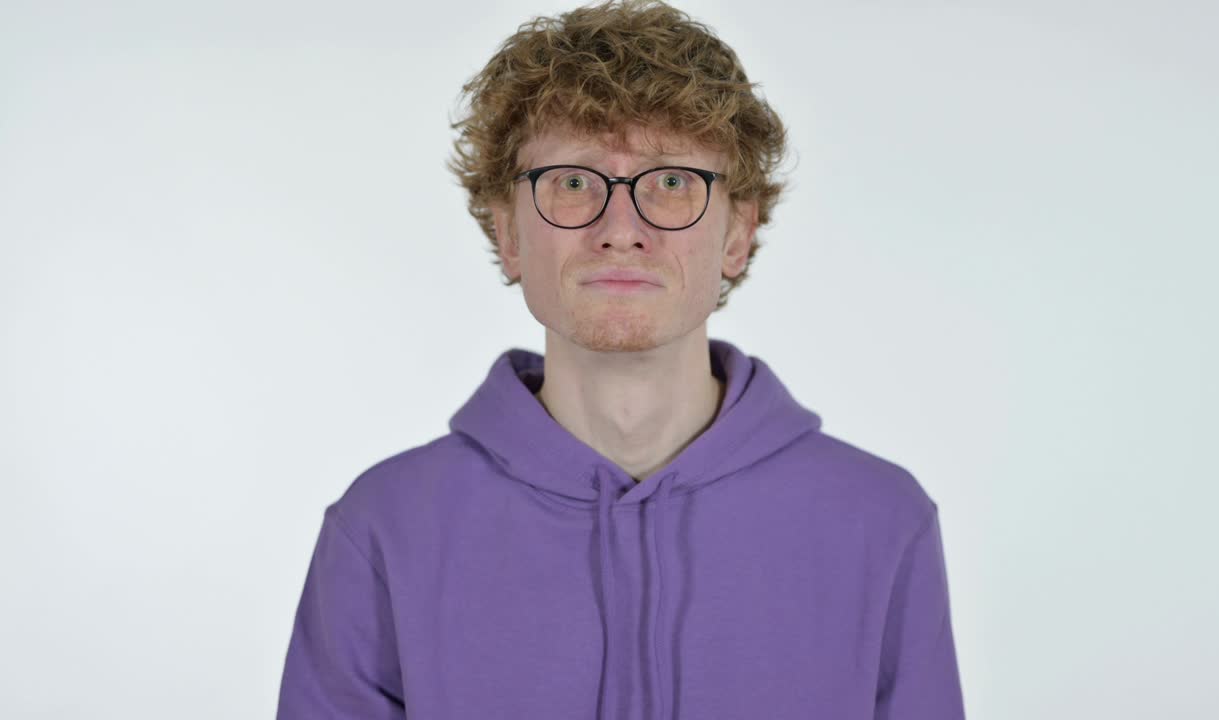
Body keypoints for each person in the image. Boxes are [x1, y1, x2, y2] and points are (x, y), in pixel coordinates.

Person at [275, 1, 966, 718]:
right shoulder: (385, 527)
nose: (621, 229)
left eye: (672, 183)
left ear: (738, 233)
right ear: (508, 232)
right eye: (573, 183)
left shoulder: (879, 522)